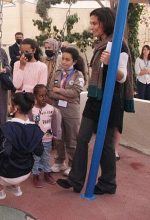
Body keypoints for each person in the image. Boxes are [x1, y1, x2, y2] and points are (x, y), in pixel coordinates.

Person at [57, 7, 135, 195]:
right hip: (94, 99)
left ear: (105, 22)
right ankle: (76, 180)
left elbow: (122, 77)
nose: (91, 27)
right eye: (91, 23)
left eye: (94, 23)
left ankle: (108, 183)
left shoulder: (119, 45)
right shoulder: (100, 44)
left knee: (106, 144)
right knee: (82, 137)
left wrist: (111, 63)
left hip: (110, 100)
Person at [0, 92, 44, 200]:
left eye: (10, 104)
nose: (9, 106)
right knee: (18, 155)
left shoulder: (7, 127)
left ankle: (0, 190)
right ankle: (15, 187)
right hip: (26, 171)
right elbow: (39, 151)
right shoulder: (36, 129)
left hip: (7, 174)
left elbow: (5, 151)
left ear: (16, 108)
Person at [48, 47, 85, 176]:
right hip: (57, 108)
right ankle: (59, 161)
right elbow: (50, 91)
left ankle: (72, 164)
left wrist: (59, 91)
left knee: (72, 139)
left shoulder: (78, 75)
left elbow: (75, 93)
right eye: (63, 58)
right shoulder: (57, 72)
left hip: (71, 112)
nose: (64, 61)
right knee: (58, 137)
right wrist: (64, 96)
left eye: (67, 59)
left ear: (74, 61)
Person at [30, 84, 62, 188]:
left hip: (47, 139)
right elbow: (29, 125)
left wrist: (56, 137)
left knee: (46, 157)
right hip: (36, 141)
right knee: (36, 158)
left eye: (45, 95)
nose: (44, 98)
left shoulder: (52, 109)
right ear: (35, 96)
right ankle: (36, 176)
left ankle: (47, 174)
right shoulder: (31, 110)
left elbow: (55, 124)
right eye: (40, 96)